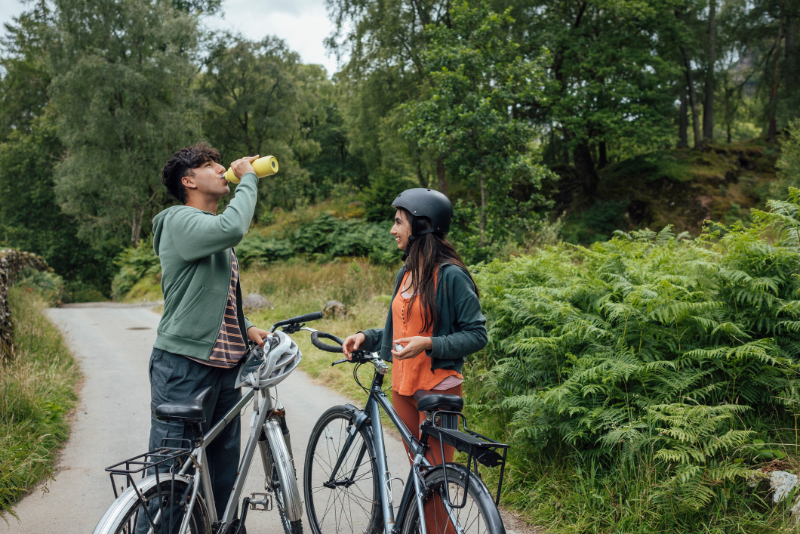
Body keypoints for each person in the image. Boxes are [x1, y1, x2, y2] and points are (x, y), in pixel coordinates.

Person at [146, 143, 270, 522]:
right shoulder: (178, 219)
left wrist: (245, 327)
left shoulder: (213, 237)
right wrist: (248, 178)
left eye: (220, 163)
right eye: (209, 165)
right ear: (188, 180)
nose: (221, 169)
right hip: (183, 366)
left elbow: (209, 293)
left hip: (224, 368)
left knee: (220, 479)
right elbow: (233, 227)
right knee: (170, 478)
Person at [342, 188, 487, 468]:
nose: (392, 229)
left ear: (421, 225)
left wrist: (430, 343)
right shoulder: (406, 272)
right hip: (403, 389)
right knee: (421, 477)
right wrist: (366, 337)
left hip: (437, 390)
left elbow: (477, 335)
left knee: (436, 478)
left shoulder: (451, 275)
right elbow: (405, 331)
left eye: (398, 222)